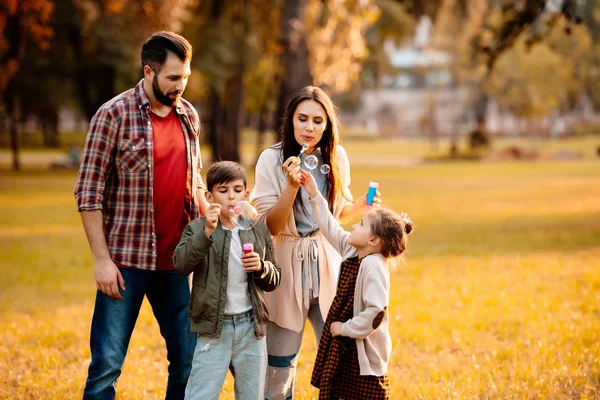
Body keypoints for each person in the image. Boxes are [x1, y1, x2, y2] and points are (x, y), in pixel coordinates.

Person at [74, 31, 209, 400]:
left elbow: (194, 179)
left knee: (188, 361)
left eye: (185, 76)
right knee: (106, 366)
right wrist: (102, 261)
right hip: (125, 265)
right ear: (148, 71)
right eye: (172, 78)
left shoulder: (188, 116)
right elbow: (88, 193)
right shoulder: (112, 115)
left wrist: (209, 215)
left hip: (178, 264)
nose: (180, 86)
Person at [250, 86, 380, 399]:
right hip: (283, 266)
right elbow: (270, 225)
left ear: (327, 125)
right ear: (290, 121)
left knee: (340, 355)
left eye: (318, 121)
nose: (310, 127)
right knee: (279, 366)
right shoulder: (271, 159)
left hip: (327, 264)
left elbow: (333, 214)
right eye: (303, 119)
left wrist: (358, 206)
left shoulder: (335, 158)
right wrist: (291, 187)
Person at [173, 161, 281, 400]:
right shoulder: (197, 228)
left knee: (251, 395)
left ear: (247, 193)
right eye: (223, 191)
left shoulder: (258, 230)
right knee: (201, 394)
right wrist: (207, 232)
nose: (231, 197)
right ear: (210, 196)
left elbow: (274, 279)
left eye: (237, 189)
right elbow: (181, 264)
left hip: (252, 329)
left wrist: (262, 267)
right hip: (214, 328)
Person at [300, 170, 412, 399]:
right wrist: (313, 193)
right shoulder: (354, 250)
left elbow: (375, 313)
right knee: (338, 390)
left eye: (360, 224)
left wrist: (345, 329)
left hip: (361, 351)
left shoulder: (374, 266)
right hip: (345, 344)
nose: (353, 227)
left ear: (373, 241)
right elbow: (330, 226)